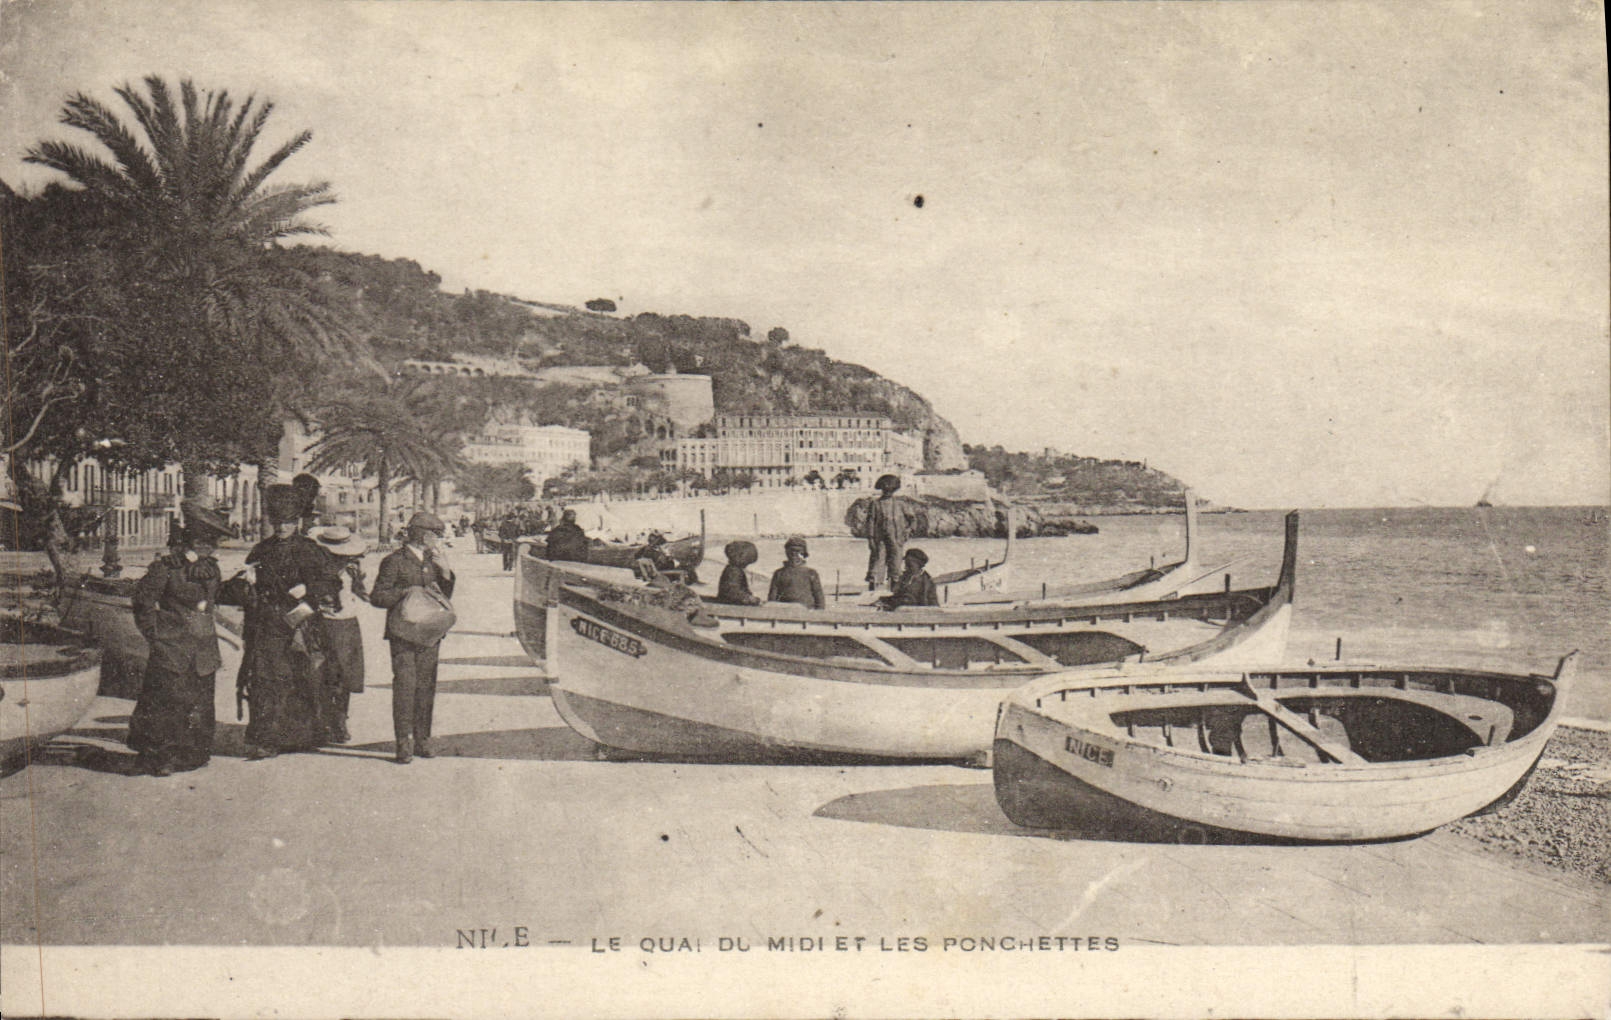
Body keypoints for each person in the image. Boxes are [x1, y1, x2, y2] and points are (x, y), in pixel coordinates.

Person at [126, 502, 234, 775]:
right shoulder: (166, 568)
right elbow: (143, 603)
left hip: (204, 649)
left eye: (212, 542)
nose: (208, 548)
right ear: (190, 541)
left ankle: (193, 754)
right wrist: (157, 637)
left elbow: (211, 602)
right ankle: (159, 758)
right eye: (202, 542)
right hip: (173, 648)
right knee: (166, 704)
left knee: (199, 704)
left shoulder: (212, 569)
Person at [240, 484, 335, 760]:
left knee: (301, 679)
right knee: (265, 680)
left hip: (300, 623)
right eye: (277, 522)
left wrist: (308, 590)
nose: (281, 527)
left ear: (297, 523)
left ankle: (301, 736)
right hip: (266, 623)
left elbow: (331, 581)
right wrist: (247, 581)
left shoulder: (310, 549)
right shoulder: (261, 550)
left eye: (288, 522)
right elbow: (246, 581)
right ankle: (267, 739)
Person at [369, 511, 456, 764]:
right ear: (419, 534)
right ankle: (403, 742)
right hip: (403, 634)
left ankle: (422, 739)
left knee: (426, 686)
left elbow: (445, 596)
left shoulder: (434, 559)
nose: (437, 539)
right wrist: (407, 593)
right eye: (433, 534)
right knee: (406, 687)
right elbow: (378, 596)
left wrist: (447, 572)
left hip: (429, 634)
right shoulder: (394, 561)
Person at [311, 525, 369, 745]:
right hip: (322, 623)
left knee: (344, 676)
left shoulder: (353, 569)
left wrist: (359, 582)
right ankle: (323, 723)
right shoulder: (317, 570)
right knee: (322, 675)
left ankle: (340, 720)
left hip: (346, 624)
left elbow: (363, 594)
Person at [865, 474, 909, 591]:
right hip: (880, 539)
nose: (887, 492)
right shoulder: (875, 504)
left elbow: (912, 519)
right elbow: (870, 522)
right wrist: (870, 538)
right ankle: (874, 587)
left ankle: (895, 589)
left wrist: (907, 533)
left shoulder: (900, 504)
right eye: (885, 490)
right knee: (878, 561)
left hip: (897, 538)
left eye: (890, 490)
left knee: (896, 563)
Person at [768, 536, 825, 609]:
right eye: (791, 551)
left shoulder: (811, 573)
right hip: (784, 613)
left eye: (798, 551)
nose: (794, 554)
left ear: (804, 554)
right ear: (786, 552)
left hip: (807, 613)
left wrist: (818, 615)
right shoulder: (779, 573)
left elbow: (819, 598)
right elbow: (772, 599)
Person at [876, 548, 940, 611]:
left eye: (909, 565)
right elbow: (897, 596)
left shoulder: (925, 582)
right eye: (906, 564)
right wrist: (883, 600)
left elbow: (910, 600)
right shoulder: (905, 577)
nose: (905, 567)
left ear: (919, 564)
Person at [715, 540, 762, 606]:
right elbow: (732, 591)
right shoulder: (733, 571)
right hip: (729, 606)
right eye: (747, 563)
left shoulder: (735, 570)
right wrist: (748, 598)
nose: (746, 566)